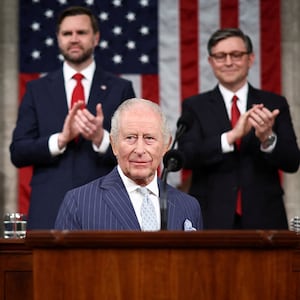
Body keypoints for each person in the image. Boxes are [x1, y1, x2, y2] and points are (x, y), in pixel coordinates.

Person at [10, 6, 136, 229]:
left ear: (95, 38)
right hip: (49, 209)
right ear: (58, 39)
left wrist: (101, 138)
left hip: (107, 206)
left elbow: (135, 151)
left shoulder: (121, 89)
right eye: (67, 34)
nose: (74, 39)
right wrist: (60, 139)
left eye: (81, 32)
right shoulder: (36, 90)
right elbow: (18, 152)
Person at [177, 28, 300, 229]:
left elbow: (292, 161)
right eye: (220, 56)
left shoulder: (274, 103)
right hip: (212, 216)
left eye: (236, 55)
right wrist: (231, 137)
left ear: (250, 59)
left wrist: (267, 138)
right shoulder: (195, 106)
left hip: (265, 216)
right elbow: (186, 156)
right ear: (211, 62)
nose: (228, 62)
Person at [55, 98, 202, 231]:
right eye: (130, 138)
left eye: (149, 138)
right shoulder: (79, 202)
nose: (139, 150)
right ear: (114, 144)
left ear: (166, 145)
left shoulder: (188, 206)